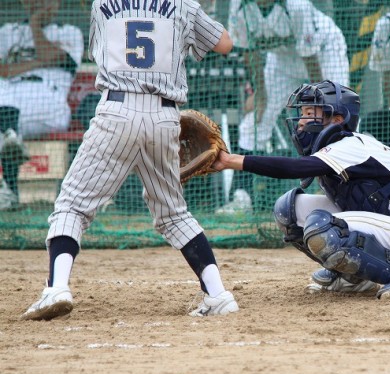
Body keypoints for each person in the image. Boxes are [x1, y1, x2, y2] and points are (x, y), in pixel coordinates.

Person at [21, 0, 240, 321]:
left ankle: (56, 288)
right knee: (173, 214)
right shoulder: (184, 4)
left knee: (72, 205)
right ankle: (218, 295)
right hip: (166, 117)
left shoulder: (101, 3)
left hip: (116, 111)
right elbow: (225, 44)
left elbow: (101, 52)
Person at [211, 80, 390, 298]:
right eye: (302, 113)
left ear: (337, 119)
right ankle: (353, 277)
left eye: (310, 114)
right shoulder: (332, 147)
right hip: (388, 223)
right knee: (289, 209)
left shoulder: (350, 145)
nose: (301, 121)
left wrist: (232, 160)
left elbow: (293, 168)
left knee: (323, 226)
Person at [225, 0, 350, 209]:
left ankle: (342, 186)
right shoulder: (238, 4)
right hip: (282, 58)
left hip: (324, 52)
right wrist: (261, 95)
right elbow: (250, 52)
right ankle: (241, 196)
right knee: (256, 120)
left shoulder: (296, 5)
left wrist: (317, 100)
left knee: (335, 116)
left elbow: (310, 56)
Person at [0, 0, 83, 207]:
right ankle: (8, 191)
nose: (39, 3)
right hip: (9, 97)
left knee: (6, 113)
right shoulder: (9, 31)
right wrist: (39, 63)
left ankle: (8, 187)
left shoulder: (69, 31)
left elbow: (51, 55)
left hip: (49, 101)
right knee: (5, 101)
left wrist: (35, 26)